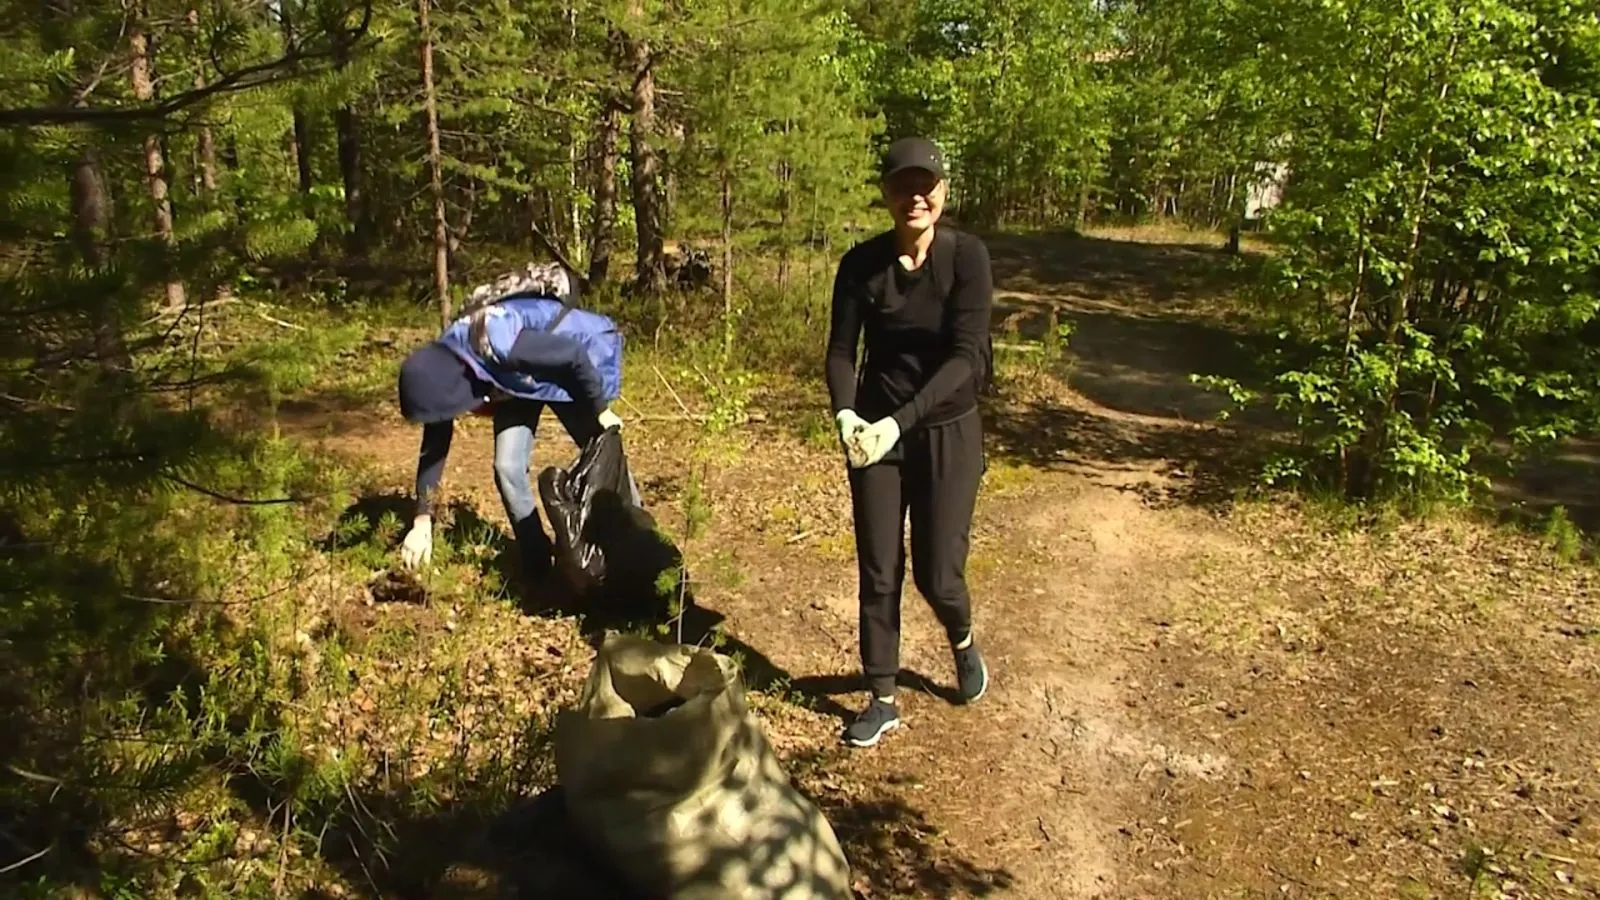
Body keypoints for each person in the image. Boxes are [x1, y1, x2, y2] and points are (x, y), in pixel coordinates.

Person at [825, 136, 994, 748]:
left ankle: (963, 638)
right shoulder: (861, 266)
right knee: (879, 566)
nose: (914, 195)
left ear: (943, 191)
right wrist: (847, 416)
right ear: (888, 197)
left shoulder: (966, 259)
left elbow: (966, 358)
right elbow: (843, 352)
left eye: (926, 185)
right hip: (876, 434)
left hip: (947, 428)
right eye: (902, 186)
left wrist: (905, 420)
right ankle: (883, 695)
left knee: (937, 574)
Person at [394, 262, 632, 584]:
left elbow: (572, 354)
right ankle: (538, 562)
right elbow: (434, 447)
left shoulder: (495, 343)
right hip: (517, 382)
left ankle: (638, 537)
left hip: (568, 371)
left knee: (601, 452)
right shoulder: (445, 367)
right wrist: (422, 520)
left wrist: (600, 411)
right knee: (507, 467)